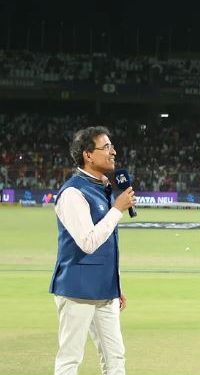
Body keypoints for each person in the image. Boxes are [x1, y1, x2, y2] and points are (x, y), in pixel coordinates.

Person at [49, 126, 136, 375]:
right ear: (88, 154)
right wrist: (117, 209)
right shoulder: (73, 192)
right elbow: (88, 242)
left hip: (105, 290)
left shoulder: (105, 187)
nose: (113, 151)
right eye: (106, 147)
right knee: (70, 359)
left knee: (115, 357)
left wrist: (116, 283)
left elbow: (109, 245)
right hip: (77, 288)